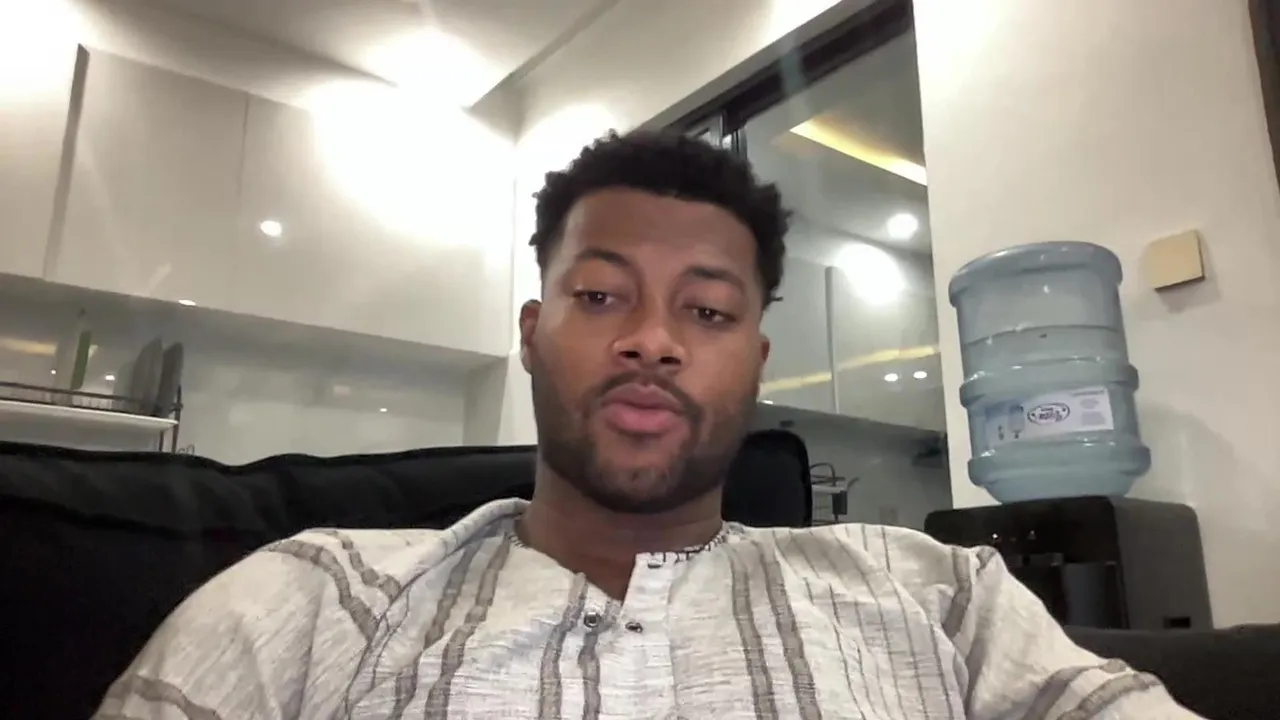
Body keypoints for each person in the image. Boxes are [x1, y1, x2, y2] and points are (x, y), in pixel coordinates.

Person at [96, 131, 1201, 720]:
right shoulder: (310, 601)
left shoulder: (939, 597)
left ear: (756, 363)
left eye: (707, 311)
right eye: (601, 296)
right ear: (533, 333)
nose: (652, 340)